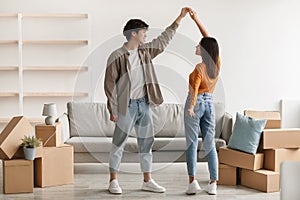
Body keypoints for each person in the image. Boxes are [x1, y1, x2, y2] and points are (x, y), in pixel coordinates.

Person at [104, 8, 190, 194]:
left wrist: (180, 18)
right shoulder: (116, 56)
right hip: (125, 107)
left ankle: (147, 180)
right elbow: (109, 85)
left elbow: (163, 40)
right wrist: (113, 110)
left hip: (144, 104)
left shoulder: (145, 52)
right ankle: (113, 181)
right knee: (119, 142)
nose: (145, 36)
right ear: (133, 34)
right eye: (143, 32)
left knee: (146, 143)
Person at [184, 9, 221, 195]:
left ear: (204, 50)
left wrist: (191, 106)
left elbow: (195, 89)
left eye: (199, 45)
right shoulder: (216, 64)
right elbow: (210, 40)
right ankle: (213, 183)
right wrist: (196, 19)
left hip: (197, 102)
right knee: (209, 144)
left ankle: (192, 182)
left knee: (191, 143)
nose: (196, 46)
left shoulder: (199, 67)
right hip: (210, 103)